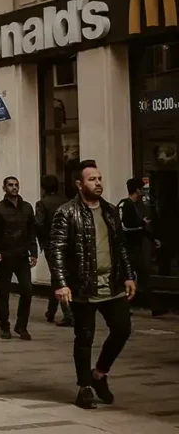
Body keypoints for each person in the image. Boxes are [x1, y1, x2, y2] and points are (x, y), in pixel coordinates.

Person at [47, 160, 136, 409]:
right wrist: (62, 284)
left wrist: (129, 276)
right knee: (84, 336)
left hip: (113, 284)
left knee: (122, 329)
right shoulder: (66, 212)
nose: (98, 183)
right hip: (83, 285)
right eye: (92, 179)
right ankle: (84, 387)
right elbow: (56, 251)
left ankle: (99, 374)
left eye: (99, 179)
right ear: (79, 184)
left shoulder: (109, 210)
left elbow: (121, 248)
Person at [0, 176, 39, 340]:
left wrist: (33, 251)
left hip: (22, 255)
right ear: (4, 188)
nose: (14, 188)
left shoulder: (26, 208)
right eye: (10, 185)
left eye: (16, 185)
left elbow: (32, 231)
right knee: (4, 292)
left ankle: (21, 326)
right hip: (5, 256)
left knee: (27, 290)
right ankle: (4, 326)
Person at [117, 177, 164, 317]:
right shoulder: (127, 205)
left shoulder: (128, 205)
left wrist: (151, 238)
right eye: (142, 189)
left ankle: (153, 307)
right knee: (138, 276)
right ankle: (152, 306)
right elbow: (127, 227)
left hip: (131, 248)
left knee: (139, 276)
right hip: (129, 249)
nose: (143, 192)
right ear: (137, 190)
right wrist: (142, 225)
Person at [36, 175, 72, 326]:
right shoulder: (67, 202)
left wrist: (43, 240)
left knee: (58, 277)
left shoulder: (42, 204)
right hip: (68, 244)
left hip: (52, 244)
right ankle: (51, 311)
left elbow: (38, 223)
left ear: (43, 188)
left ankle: (68, 313)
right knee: (57, 277)